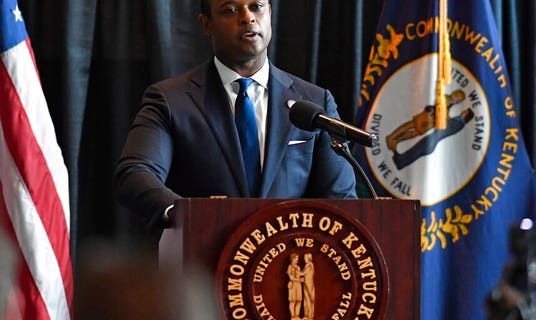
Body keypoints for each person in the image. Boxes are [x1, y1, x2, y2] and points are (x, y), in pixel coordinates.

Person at [114, 0, 357, 237]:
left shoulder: (315, 102)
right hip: (201, 264)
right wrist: (185, 215)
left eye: (256, 7)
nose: (248, 17)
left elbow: (341, 198)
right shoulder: (170, 100)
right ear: (206, 25)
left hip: (287, 264)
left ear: (269, 13)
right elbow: (135, 172)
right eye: (230, 10)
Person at [286, 253, 303, 320]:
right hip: (293, 285)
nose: (297, 259)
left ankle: (297, 316)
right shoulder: (290, 267)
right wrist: (300, 280)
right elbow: (291, 278)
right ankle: (292, 316)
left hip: (298, 285)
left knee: (299, 300)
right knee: (292, 301)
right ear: (293, 259)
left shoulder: (298, 267)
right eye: (296, 258)